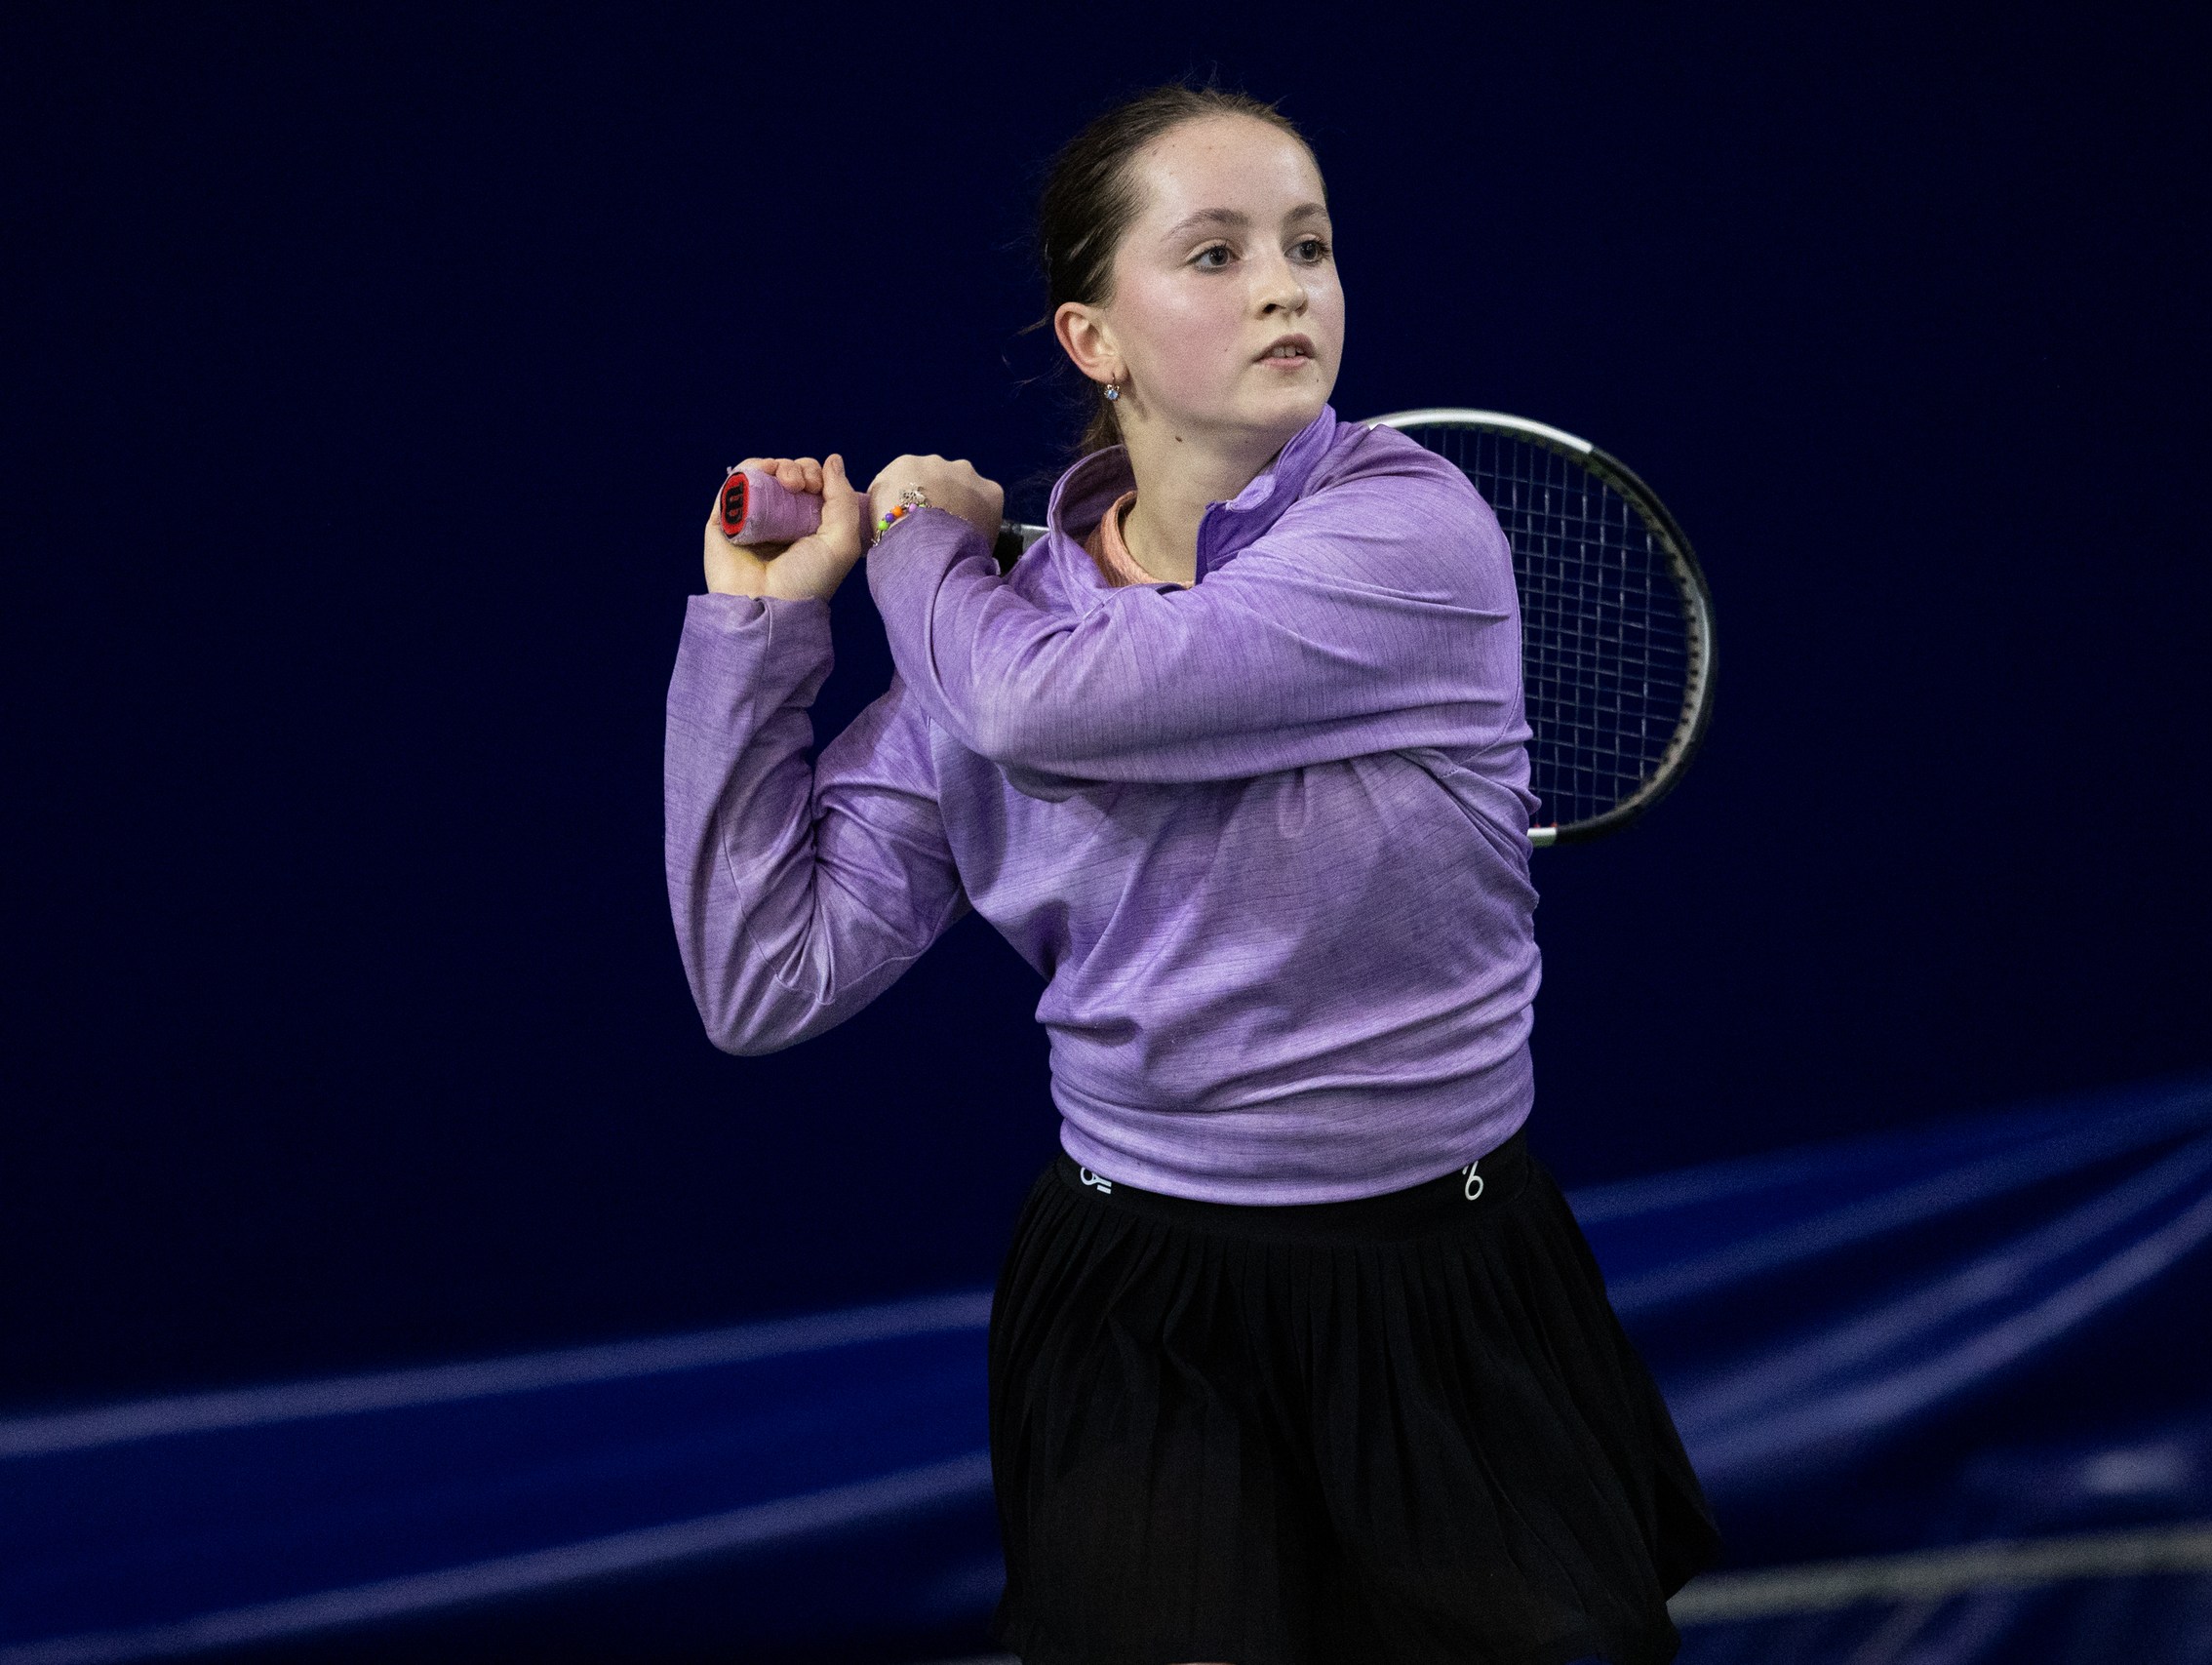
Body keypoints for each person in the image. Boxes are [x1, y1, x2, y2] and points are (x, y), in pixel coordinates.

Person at [664, 83, 1719, 1665]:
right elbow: (765, 976)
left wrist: (917, 540)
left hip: (1448, 1288)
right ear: (1093, 339)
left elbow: (1046, 705)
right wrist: (755, 633)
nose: (1286, 287)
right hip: (1144, 1310)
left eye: (1310, 246)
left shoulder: (1410, 531)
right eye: (1217, 254)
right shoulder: (986, 641)